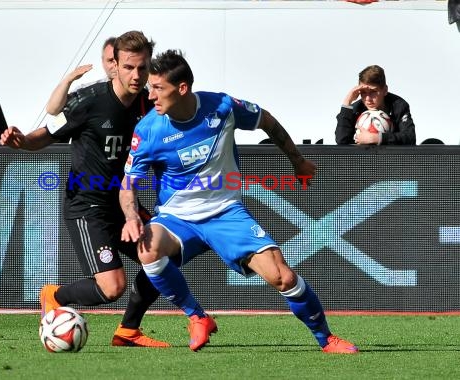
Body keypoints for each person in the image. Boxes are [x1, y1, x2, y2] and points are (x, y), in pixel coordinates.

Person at [120, 49, 359, 354]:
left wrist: (297, 161)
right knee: (147, 248)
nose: (150, 94)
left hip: (225, 214)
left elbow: (267, 121)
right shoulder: (148, 130)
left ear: (182, 89)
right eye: (150, 87)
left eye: (158, 88)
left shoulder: (221, 106)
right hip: (177, 218)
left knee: (283, 277)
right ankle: (197, 317)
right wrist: (131, 216)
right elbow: (128, 184)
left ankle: (326, 339)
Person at [0, 30, 169, 348]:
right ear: (114, 65)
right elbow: (46, 134)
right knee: (111, 287)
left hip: (123, 204)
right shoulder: (89, 100)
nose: (136, 75)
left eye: (143, 68)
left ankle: (128, 331)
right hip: (86, 205)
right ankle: (54, 295)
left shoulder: (152, 103)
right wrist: (21, 142)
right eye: (129, 67)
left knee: (162, 258)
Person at [335, 65, 416, 145]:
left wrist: (377, 138)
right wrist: (347, 102)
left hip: (390, 157)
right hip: (363, 157)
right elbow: (341, 140)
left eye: (373, 92)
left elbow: (410, 137)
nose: (367, 99)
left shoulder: (399, 105)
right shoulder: (354, 109)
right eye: (363, 92)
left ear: (385, 90)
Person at [45, 37, 117, 116]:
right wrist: (68, 79)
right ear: (103, 62)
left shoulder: (132, 90)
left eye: (118, 60)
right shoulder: (89, 91)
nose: (115, 65)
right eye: (110, 60)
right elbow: (53, 109)